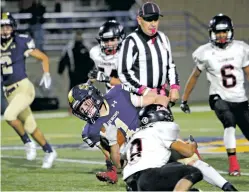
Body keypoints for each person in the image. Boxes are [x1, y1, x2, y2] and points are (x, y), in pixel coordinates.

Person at [180, 14, 249, 176]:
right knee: (229, 123)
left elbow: (248, 72)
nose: (221, 35)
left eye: (224, 32)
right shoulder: (205, 52)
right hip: (219, 97)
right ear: (212, 33)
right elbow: (194, 76)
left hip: (240, 99)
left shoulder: (241, 48)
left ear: (230, 31)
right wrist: (185, 99)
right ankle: (233, 164)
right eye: (218, 32)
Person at [68, 83, 169, 184]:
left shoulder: (118, 94)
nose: (85, 110)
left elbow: (158, 99)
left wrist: (161, 119)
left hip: (154, 139)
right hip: (137, 158)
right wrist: (113, 143)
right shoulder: (90, 131)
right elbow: (118, 165)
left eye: (85, 104)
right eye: (80, 109)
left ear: (93, 95)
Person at [123, 104, 238, 191]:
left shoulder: (136, 136)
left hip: (133, 183)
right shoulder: (159, 127)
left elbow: (121, 159)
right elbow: (188, 152)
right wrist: (193, 145)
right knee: (194, 171)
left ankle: (228, 188)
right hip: (150, 176)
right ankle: (229, 188)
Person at [1, 12, 57, 168]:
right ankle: (49, 151)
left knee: (9, 115)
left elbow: (43, 57)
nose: (4, 30)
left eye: (7, 26)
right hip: (9, 93)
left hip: (24, 88)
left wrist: (46, 73)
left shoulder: (21, 42)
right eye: (1, 27)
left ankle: (27, 142)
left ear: (13, 27)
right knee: (30, 126)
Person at [118, 2, 180, 103]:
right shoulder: (131, 41)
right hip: (139, 98)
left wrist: (174, 87)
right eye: (148, 19)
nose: (153, 23)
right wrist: (144, 90)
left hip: (161, 97)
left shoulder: (163, 38)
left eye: (156, 18)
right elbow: (124, 73)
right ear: (139, 20)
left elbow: (170, 66)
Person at [87, 20, 125, 93]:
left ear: (121, 38)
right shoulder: (96, 53)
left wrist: (106, 78)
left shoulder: (127, 55)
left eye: (112, 39)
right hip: (110, 96)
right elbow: (94, 74)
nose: (109, 43)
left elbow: (131, 86)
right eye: (105, 40)